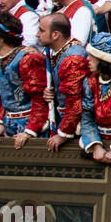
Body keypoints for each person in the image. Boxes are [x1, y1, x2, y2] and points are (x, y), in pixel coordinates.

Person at [0, 12, 49, 144]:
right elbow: (3, 97)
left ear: (2, 38)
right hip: (9, 127)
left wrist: (29, 131)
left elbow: (40, 100)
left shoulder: (28, 59)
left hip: (30, 128)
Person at [41, 12, 90, 152]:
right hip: (64, 119)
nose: (38, 34)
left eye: (42, 30)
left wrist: (63, 134)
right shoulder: (60, 52)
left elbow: (75, 101)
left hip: (77, 127)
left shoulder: (73, 58)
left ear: (55, 35)